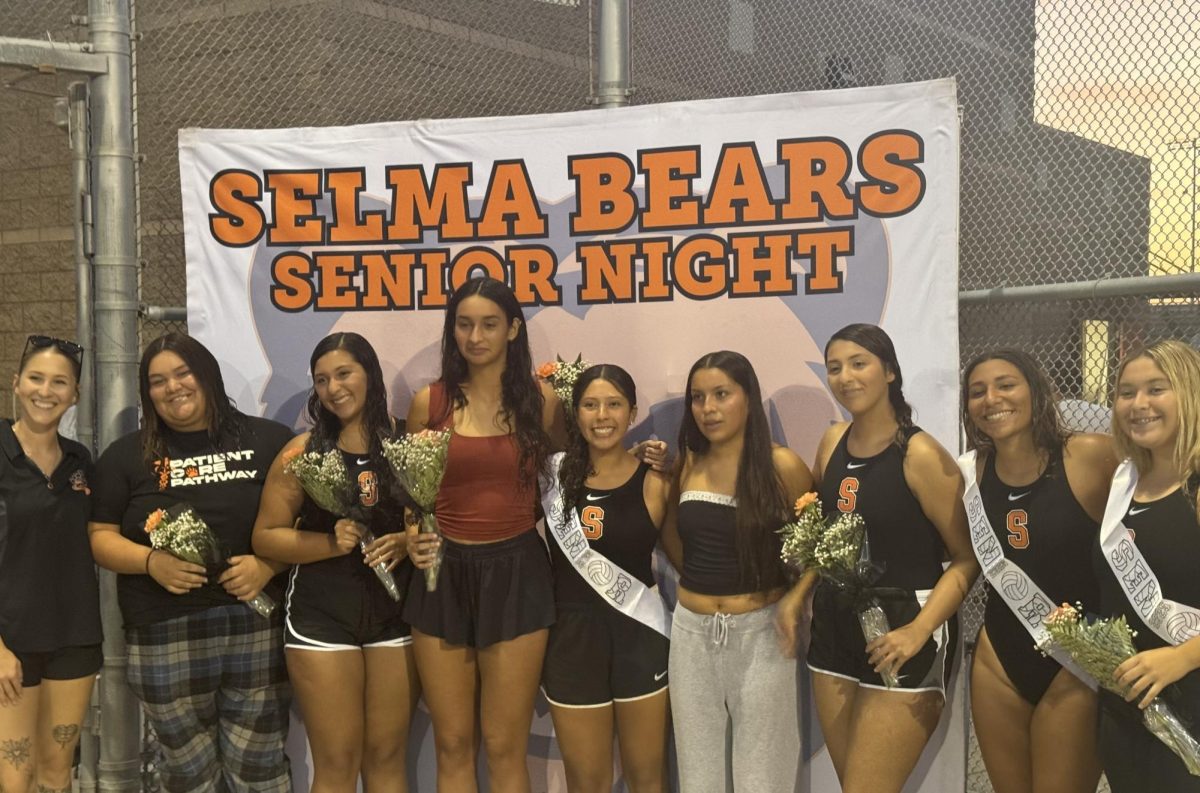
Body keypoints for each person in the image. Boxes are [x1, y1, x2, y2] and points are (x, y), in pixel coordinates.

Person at [88, 333, 293, 792]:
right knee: (185, 773)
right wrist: (149, 561)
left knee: (258, 765)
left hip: (256, 625)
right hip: (163, 629)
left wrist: (268, 567)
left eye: (183, 373)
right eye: (158, 381)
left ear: (208, 376)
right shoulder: (126, 456)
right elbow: (99, 538)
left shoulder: (270, 441)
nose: (173, 387)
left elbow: (302, 529)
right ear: (147, 393)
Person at [404, 276, 566, 793]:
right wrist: (412, 535)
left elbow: (569, 482)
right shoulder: (427, 403)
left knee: (503, 745)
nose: (475, 336)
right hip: (441, 578)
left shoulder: (543, 402)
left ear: (514, 329)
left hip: (518, 572)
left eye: (489, 324)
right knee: (453, 744)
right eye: (464, 324)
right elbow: (413, 499)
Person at [801, 323, 977, 793]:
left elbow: (965, 559)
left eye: (859, 364)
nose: (845, 377)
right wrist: (797, 598)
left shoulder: (919, 454)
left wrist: (918, 631)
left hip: (904, 627)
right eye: (835, 367)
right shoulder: (831, 441)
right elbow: (823, 541)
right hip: (835, 627)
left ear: (891, 373)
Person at [252, 332, 418, 792]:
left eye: (344, 373)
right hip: (321, 616)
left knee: (386, 756)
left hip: (397, 615)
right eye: (322, 379)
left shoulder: (407, 444)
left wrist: (407, 539)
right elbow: (265, 537)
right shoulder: (302, 452)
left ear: (370, 374)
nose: (333, 388)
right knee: (337, 761)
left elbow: (438, 521)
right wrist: (329, 542)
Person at [962, 349, 1115, 793]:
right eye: (977, 391)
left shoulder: (1089, 455)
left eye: (1006, 385)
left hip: (1077, 663)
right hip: (998, 661)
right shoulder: (971, 473)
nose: (991, 398)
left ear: (1036, 390)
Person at [661, 350, 813, 793]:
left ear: (748, 398)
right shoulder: (689, 461)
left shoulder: (781, 465)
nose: (707, 408)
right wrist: (701, 582)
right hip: (691, 636)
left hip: (763, 637)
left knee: (763, 776)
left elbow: (824, 545)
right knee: (697, 776)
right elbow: (671, 528)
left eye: (721, 394)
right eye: (698, 397)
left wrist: (795, 597)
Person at [541, 364, 672, 793]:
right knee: (587, 782)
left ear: (632, 412)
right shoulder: (552, 476)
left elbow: (688, 560)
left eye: (614, 404)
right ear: (575, 413)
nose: (602, 416)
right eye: (590, 404)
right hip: (572, 640)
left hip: (641, 636)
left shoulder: (656, 481)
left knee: (647, 777)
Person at [1094, 340, 1200, 792]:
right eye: (1126, 392)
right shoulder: (1125, 481)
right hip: (1128, 701)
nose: (1139, 405)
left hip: (1190, 697)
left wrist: (1182, 657)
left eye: (1157, 389)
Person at [0, 335, 99, 793]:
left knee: (58, 774)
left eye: (60, 382)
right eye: (36, 378)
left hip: (74, 637)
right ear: (17, 383)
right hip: (11, 640)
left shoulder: (81, 462)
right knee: (14, 777)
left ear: (74, 394)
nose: (46, 391)